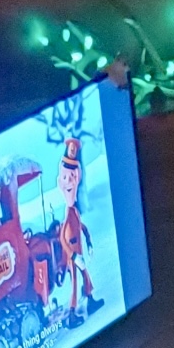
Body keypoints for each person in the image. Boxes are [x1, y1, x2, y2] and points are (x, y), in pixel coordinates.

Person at [55, 133, 103, 327]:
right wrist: (73, 256)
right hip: (74, 252)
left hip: (79, 249)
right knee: (75, 278)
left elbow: (80, 225)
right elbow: (62, 237)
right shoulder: (68, 213)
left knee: (84, 275)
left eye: (73, 177)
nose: (70, 181)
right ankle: (72, 313)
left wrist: (88, 239)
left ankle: (90, 299)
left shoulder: (73, 210)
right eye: (66, 177)